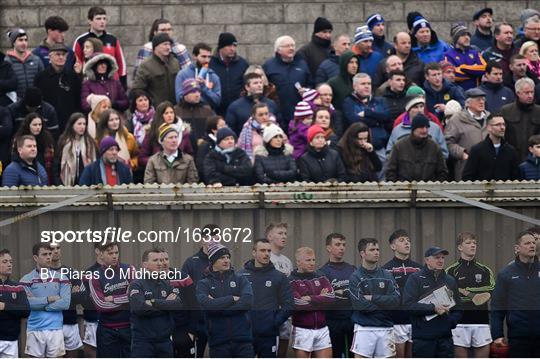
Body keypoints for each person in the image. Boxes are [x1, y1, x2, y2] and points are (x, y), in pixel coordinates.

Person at [196, 241, 254, 357]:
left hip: (243, 341)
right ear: (213, 261)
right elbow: (206, 306)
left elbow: (247, 302)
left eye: (228, 257)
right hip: (218, 342)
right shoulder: (204, 283)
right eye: (222, 258)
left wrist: (216, 305)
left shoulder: (240, 279)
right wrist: (232, 298)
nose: (226, 260)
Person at [403, 247, 462, 357]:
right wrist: (433, 308)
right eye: (436, 257)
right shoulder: (415, 279)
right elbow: (408, 306)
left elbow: (458, 308)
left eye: (442, 258)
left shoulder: (450, 280)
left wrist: (450, 322)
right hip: (423, 339)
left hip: (445, 339)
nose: (440, 260)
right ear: (427, 260)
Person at [239, 239, 294, 358]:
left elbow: (288, 304)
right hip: (244, 335)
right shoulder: (241, 276)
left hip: (269, 335)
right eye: (262, 250)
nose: (267, 254)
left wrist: (274, 322)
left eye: (269, 251)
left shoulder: (279, 277)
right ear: (254, 253)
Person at [490, 230, 540, 358]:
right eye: (527, 243)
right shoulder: (506, 274)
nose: (532, 245)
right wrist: (497, 335)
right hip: (518, 338)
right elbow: (497, 308)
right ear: (517, 248)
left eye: (534, 242)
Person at [446, 232, 495, 358]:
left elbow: (491, 289)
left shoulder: (485, 270)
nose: (473, 246)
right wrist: (474, 296)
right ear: (460, 247)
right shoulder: (450, 271)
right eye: (468, 243)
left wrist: (466, 290)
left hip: (481, 322)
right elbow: (448, 295)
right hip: (459, 323)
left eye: (474, 243)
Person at [349, 238, 399, 358]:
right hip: (364, 329)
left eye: (377, 249)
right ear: (362, 253)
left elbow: (396, 301)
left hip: (386, 328)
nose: (376, 252)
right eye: (372, 249)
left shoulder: (387, 275)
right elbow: (360, 305)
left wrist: (372, 298)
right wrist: (384, 304)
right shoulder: (355, 277)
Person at [128, 248, 183, 357]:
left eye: (161, 260)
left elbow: (178, 304)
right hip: (143, 343)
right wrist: (166, 304)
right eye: (155, 260)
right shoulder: (137, 285)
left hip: (165, 342)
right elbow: (140, 308)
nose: (160, 264)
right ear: (145, 265)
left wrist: (152, 302)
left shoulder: (168, 284)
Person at [20, 243, 70, 358]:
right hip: (35, 329)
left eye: (49, 254)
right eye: (44, 254)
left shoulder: (62, 278)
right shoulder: (26, 280)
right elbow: (27, 303)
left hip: (56, 329)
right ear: (35, 258)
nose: (48, 257)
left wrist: (41, 304)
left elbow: (65, 303)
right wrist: (48, 299)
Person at [89, 242, 135, 358]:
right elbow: (100, 305)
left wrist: (114, 298)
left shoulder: (129, 270)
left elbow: (136, 297)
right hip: (106, 330)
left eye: (116, 252)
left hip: (129, 327)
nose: (114, 256)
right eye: (110, 253)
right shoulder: (95, 276)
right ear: (101, 255)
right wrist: (126, 301)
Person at [382, 229, 422, 358]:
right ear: (393, 246)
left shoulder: (420, 269)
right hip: (396, 321)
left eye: (408, 240)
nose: (407, 243)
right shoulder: (385, 270)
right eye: (402, 240)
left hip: (416, 321)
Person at [180, 224, 219, 357]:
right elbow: (182, 294)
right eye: (209, 237)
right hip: (197, 323)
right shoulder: (191, 263)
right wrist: (189, 326)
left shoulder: (224, 263)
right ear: (202, 240)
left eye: (216, 236)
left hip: (218, 322)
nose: (213, 240)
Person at [289, 247, 334, 357]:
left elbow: (331, 297)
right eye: (308, 260)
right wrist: (320, 298)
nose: (312, 263)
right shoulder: (291, 280)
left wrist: (310, 298)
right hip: (302, 329)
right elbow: (298, 304)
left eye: (313, 260)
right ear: (298, 262)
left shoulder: (321, 277)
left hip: (322, 328)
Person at [318, 233, 356, 358]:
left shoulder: (353, 269)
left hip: (352, 320)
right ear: (328, 248)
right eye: (338, 245)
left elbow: (357, 294)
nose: (342, 248)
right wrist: (343, 294)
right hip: (332, 321)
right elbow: (327, 299)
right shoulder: (322, 272)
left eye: (344, 245)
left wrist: (338, 293)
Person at [73, 6, 127, 88]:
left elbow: (121, 63)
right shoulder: (81, 40)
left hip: (111, 83)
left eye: (104, 19)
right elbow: (76, 62)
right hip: (89, 84)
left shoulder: (112, 39)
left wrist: (123, 84)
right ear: (90, 21)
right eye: (98, 19)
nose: (102, 22)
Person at [33, 43, 81, 133]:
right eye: (58, 54)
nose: (61, 57)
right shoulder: (41, 77)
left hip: (69, 122)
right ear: (50, 57)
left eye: (63, 55)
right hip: (48, 122)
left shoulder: (73, 76)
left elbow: (78, 100)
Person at [386, 114, 448, 181]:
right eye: (421, 127)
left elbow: (442, 172)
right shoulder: (399, 146)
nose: (424, 130)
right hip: (404, 189)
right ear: (414, 129)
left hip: (429, 189)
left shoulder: (434, 147)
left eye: (427, 127)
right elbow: (390, 171)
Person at [263, 35, 311, 123]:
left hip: (299, 113)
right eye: (287, 46)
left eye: (293, 45)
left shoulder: (302, 64)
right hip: (277, 112)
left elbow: (311, 83)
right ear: (278, 49)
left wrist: (307, 90)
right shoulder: (269, 66)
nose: (291, 48)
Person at [445, 88, 490, 180]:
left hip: (488, 169)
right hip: (466, 168)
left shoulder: (490, 118)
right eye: (478, 100)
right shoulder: (457, 119)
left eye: (483, 99)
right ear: (468, 103)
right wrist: (462, 154)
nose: (482, 102)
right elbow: (448, 142)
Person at [342, 73, 391, 158]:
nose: (367, 86)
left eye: (369, 83)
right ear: (354, 86)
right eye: (363, 84)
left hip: (380, 147)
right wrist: (376, 122)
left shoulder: (380, 101)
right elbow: (354, 120)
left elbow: (387, 117)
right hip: (358, 150)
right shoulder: (349, 102)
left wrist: (368, 113)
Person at [387, 95, 449, 160]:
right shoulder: (397, 130)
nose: (419, 110)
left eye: (421, 106)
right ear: (408, 110)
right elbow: (389, 154)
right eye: (415, 107)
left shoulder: (435, 128)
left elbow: (444, 153)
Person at [49, 244, 84, 358]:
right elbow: (45, 299)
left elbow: (81, 297)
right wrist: (69, 293)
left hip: (70, 322)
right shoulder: (42, 274)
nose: (55, 251)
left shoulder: (71, 272)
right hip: (52, 324)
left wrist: (58, 296)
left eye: (58, 248)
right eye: (52, 249)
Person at [462, 114, 521, 181]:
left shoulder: (511, 151)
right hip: (483, 190)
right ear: (489, 128)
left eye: (504, 124)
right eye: (498, 125)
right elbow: (467, 177)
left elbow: (516, 178)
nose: (502, 127)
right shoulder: (477, 150)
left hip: (504, 190)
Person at [139, 101, 193, 167]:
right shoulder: (152, 133)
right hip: (158, 172)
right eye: (166, 113)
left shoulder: (183, 132)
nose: (170, 115)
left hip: (180, 171)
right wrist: (156, 162)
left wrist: (181, 162)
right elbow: (142, 158)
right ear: (160, 115)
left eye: (171, 112)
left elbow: (190, 154)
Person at [132, 33, 180, 107]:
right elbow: (138, 89)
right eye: (165, 44)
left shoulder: (175, 62)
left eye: (169, 44)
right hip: (156, 110)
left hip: (174, 108)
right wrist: (150, 102)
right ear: (155, 47)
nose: (168, 47)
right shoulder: (146, 65)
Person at [209, 32, 249, 116]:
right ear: (221, 48)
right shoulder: (210, 63)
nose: (232, 49)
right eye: (229, 46)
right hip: (216, 111)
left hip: (238, 110)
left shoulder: (242, 63)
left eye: (234, 46)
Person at [500, 77, 540, 161]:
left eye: (532, 92)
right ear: (518, 93)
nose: (530, 96)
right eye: (526, 93)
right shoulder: (506, 111)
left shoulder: (538, 111)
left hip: (534, 159)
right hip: (511, 158)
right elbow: (501, 135)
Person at [0, 248, 30, 359]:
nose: (9, 265)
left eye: (11, 262)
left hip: (11, 341)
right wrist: (14, 310)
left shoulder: (18, 287)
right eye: (5, 262)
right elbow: (18, 309)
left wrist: (4, 306)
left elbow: (25, 310)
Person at [12, 113, 56, 184]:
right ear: (28, 125)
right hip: (24, 174)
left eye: (40, 124)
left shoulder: (47, 138)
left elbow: (53, 159)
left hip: (45, 173)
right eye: (35, 125)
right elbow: (14, 157)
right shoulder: (19, 138)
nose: (38, 127)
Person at [175, 43, 221, 109]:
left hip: (208, 116)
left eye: (209, 57)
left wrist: (204, 87)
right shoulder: (182, 74)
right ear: (194, 56)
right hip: (187, 115)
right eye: (203, 56)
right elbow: (179, 99)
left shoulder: (214, 77)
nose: (207, 60)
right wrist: (192, 89)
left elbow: (217, 101)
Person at [56, 112, 97, 186]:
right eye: (79, 124)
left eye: (84, 124)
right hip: (67, 184)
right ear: (72, 125)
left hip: (87, 183)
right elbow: (56, 165)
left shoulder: (90, 143)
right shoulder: (64, 142)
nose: (82, 127)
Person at [444, 23, 487, 91]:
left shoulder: (475, 53)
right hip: (457, 93)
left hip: (476, 92)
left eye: (468, 35)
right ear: (456, 38)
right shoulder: (448, 55)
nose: (467, 37)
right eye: (463, 35)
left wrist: (462, 67)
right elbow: (453, 75)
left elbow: (484, 68)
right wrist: (474, 70)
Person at [5, 28, 45, 100]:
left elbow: (43, 82)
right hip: (15, 105)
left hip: (35, 102)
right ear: (13, 42)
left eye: (26, 40)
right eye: (20, 40)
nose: (24, 43)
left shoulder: (36, 60)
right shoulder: (6, 62)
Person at [174, 78, 215, 148]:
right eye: (193, 92)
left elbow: (213, 131)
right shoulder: (176, 111)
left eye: (198, 91)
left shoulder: (207, 110)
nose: (197, 95)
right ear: (185, 94)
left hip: (204, 149)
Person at [195, 115, 226, 182]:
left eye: (225, 125)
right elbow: (201, 167)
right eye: (221, 126)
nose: (225, 128)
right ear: (213, 129)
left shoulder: (228, 143)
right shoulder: (205, 146)